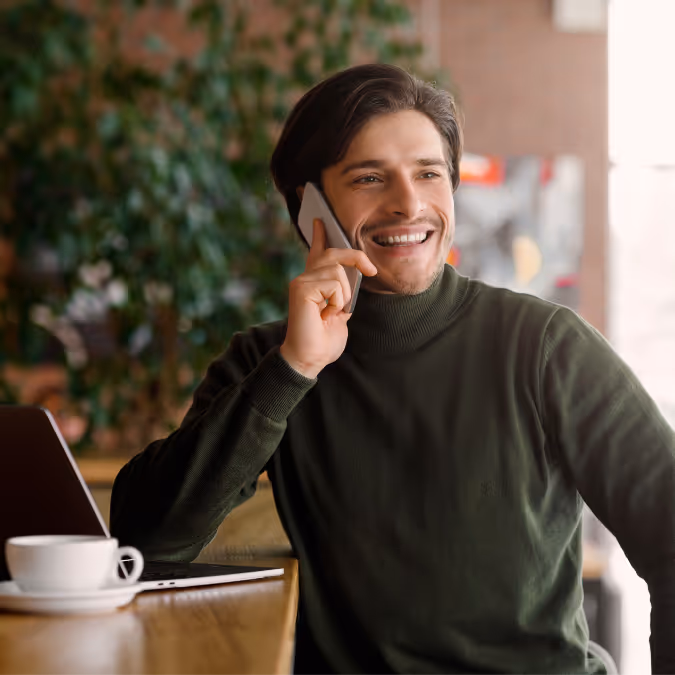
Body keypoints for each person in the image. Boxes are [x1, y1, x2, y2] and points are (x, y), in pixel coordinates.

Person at [110, 63, 674, 675]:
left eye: (429, 174)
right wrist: (294, 369)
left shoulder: (543, 346)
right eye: (370, 177)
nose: (409, 203)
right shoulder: (265, 367)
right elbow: (147, 540)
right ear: (311, 206)